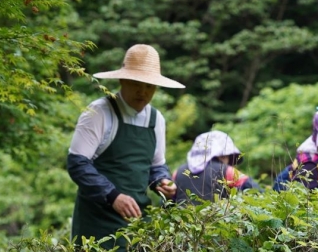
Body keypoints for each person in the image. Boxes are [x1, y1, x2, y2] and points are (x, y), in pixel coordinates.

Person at [66, 44, 184, 251]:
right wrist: (113, 196)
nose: (143, 91)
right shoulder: (99, 112)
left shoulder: (157, 120)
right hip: (97, 222)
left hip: (137, 223)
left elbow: (156, 166)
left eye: (149, 86)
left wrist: (163, 181)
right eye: (136, 83)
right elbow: (77, 164)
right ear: (122, 80)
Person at [173, 130, 261, 205]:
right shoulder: (227, 171)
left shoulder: (178, 172)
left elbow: (167, 202)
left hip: (183, 223)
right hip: (215, 222)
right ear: (222, 156)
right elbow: (257, 193)